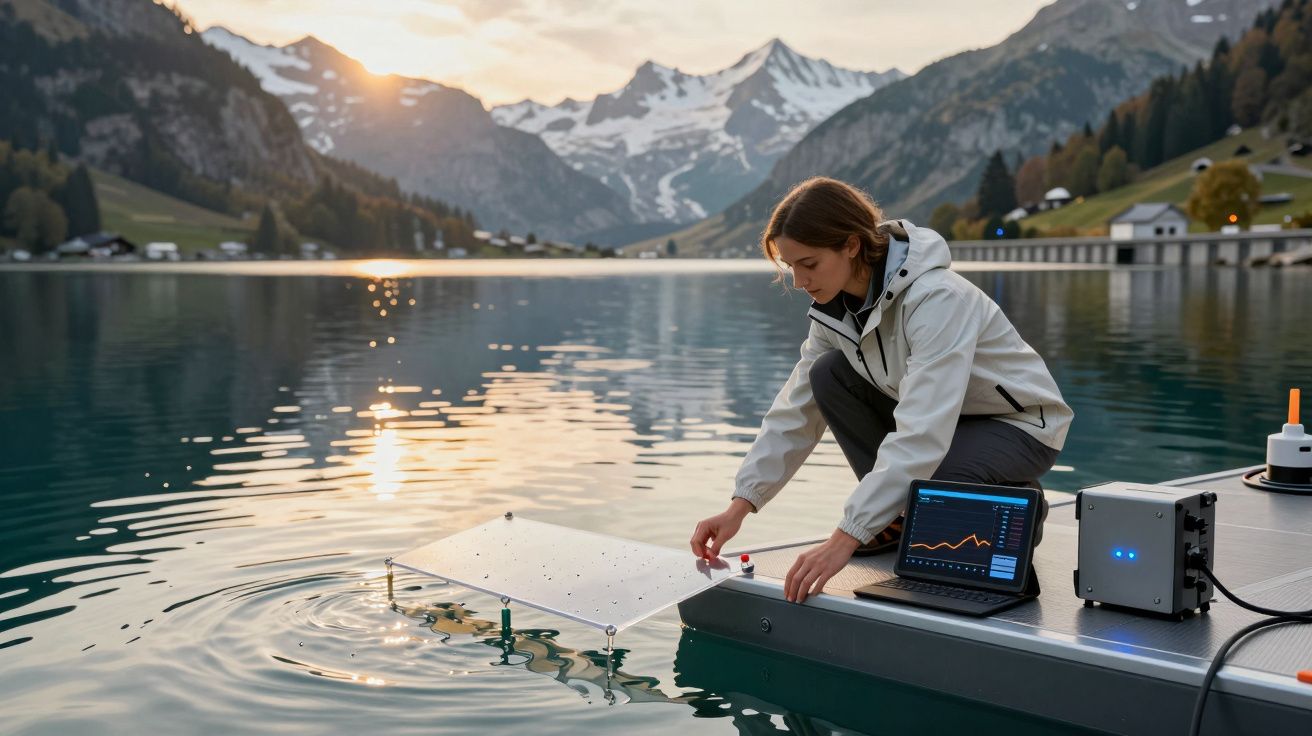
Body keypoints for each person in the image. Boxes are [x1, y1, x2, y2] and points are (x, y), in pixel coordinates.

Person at [689, 177, 1073, 604]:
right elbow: (794, 412)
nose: (799, 281)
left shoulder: (936, 299)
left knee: (935, 474)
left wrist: (845, 536)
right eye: (790, 265)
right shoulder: (833, 314)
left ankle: (1020, 507)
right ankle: (896, 517)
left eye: (809, 263)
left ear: (851, 246)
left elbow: (921, 435)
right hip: (946, 422)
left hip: (1020, 425)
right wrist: (740, 505)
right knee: (826, 375)